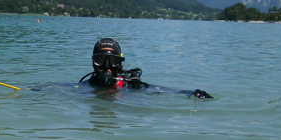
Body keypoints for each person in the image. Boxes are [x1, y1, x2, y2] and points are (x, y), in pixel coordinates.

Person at [79, 38, 213, 98]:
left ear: (119, 64)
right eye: (101, 61)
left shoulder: (131, 85)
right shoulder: (86, 87)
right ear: (93, 63)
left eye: (113, 61)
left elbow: (164, 91)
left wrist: (190, 93)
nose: (107, 68)